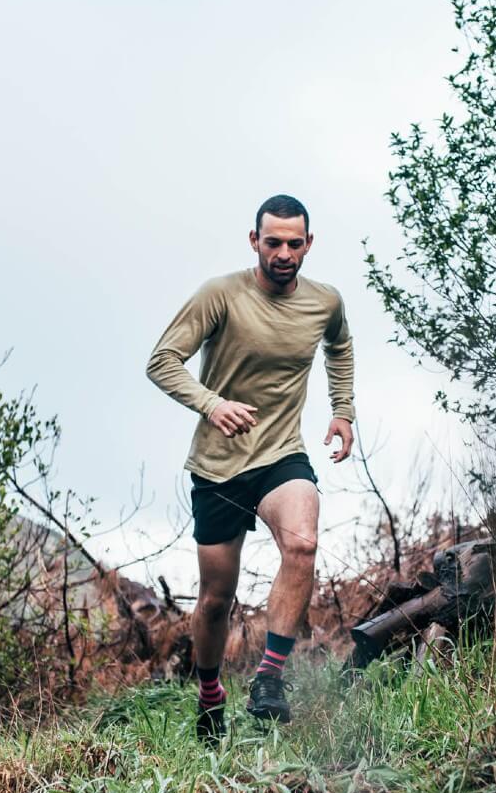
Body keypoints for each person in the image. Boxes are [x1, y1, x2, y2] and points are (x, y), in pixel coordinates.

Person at [146, 194, 355, 745]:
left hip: (280, 453)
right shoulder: (221, 295)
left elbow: (340, 346)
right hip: (217, 467)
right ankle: (210, 692)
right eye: (273, 243)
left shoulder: (325, 302)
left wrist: (342, 410)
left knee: (303, 542)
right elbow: (161, 361)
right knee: (216, 599)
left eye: (294, 243)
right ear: (254, 241)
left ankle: (268, 679)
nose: (283, 253)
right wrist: (212, 404)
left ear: (309, 244)